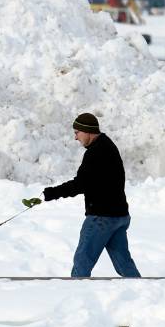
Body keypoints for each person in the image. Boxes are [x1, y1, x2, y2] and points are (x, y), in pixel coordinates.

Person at [40, 113, 141, 278]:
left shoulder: (96, 152)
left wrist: (53, 193)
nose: (75, 137)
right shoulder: (108, 146)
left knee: (82, 261)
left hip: (102, 217)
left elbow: (81, 183)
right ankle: (141, 289)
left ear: (88, 131)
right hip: (119, 216)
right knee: (124, 264)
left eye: (77, 132)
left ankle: (76, 293)